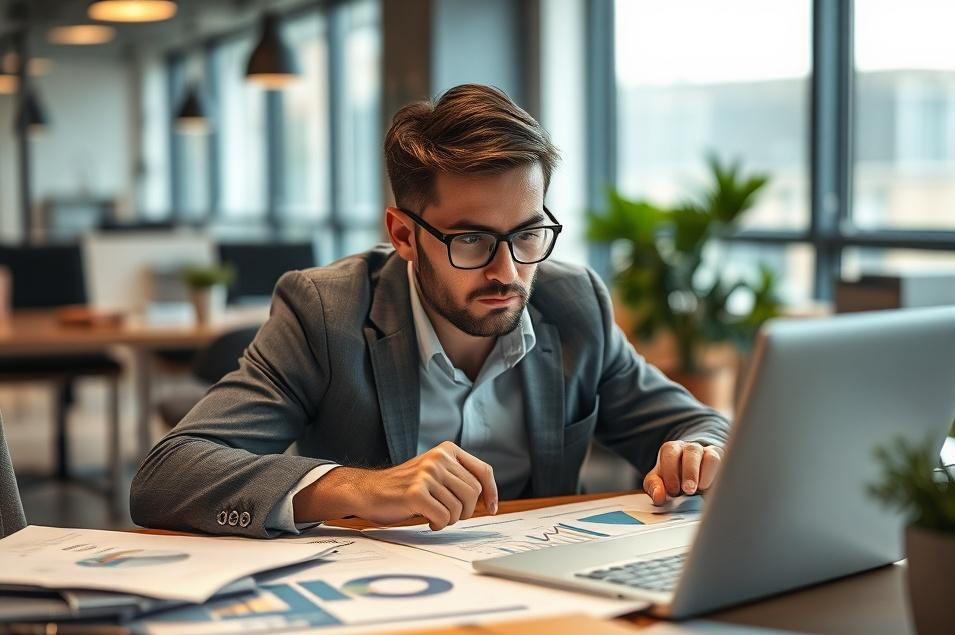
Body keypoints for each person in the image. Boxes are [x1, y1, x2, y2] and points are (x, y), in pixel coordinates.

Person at [131, 84, 729, 538]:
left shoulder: (575, 304)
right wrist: (356, 488)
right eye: (470, 240)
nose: (507, 272)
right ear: (403, 234)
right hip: (378, 604)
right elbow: (166, 476)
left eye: (527, 234)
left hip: (550, 591)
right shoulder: (324, 311)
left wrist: (700, 453)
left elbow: (701, 427)